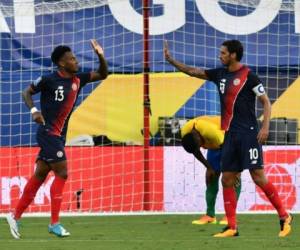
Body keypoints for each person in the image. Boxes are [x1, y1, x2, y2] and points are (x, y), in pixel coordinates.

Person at [164, 39, 292, 237]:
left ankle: (284, 216)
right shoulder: (219, 74)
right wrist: (172, 61)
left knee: (258, 177)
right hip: (230, 135)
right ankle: (232, 227)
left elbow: (266, 102)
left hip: (249, 134)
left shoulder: (250, 76)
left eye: (223, 53)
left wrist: (265, 127)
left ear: (233, 55)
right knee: (227, 179)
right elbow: (193, 71)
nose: (219, 55)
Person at [6, 39, 108, 239]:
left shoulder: (79, 79)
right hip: (48, 133)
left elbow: (103, 74)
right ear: (62, 63)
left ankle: (14, 215)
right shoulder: (48, 80)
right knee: (62, 172)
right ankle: (54, 223)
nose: (76, 61)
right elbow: (26, 92)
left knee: (40, 174)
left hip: (59, 136)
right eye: (72, 59)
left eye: (75, 58)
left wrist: (100, 55)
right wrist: (34, 111)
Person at [181, 115, 241, 226]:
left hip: (232, 140)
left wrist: (234, 169)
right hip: (215, 146)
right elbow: (195, 150)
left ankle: (230, 216)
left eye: (199, 146)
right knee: (211, 177)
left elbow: (227, 148)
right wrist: (208, 167)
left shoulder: (211, 132)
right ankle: (210, 215)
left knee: (232, 178)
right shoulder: (186, 133)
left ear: (199, 138)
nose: (200, 148)